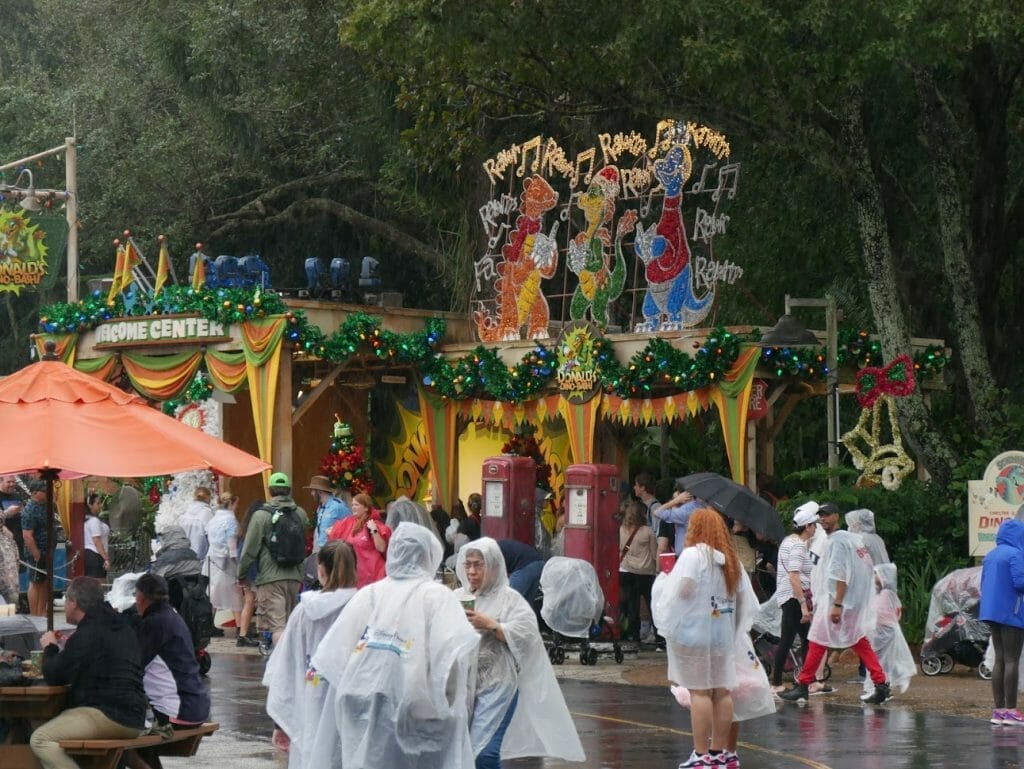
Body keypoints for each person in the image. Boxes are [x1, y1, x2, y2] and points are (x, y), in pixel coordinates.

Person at [310, 522, 481, 769]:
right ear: (428, 555)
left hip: (362, 703)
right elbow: (451, 658)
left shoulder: (370, 593)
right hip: (417, 713)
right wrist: (447, 708)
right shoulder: (437, 596)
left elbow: (333, 655)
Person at [454, 538, 584, 768]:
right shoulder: (457, 597)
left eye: (478, 565)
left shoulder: (510, 599)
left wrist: (494, 626)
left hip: (499, 683)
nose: (472, 572)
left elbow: (527, 635)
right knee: (460, 752)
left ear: (494, 566)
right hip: (464, 685)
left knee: (484, 751)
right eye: (468, 565)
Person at [652, 508, 758, 768]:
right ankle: (720, 754)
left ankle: (700, 755)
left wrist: (667, 578)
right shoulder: (730, 560)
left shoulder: (692, 555)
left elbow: (684, 591)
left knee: (700, 692)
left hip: (694, 634)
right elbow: (746, 600)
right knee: (722, 692)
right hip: (722, 635)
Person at [31, 576, 147, 769]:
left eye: (66, 600)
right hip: (135, 715)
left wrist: (50, 647)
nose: (66, 605)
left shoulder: (87, 633)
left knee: (41, 739)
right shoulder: (122, 626)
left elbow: (54, 675)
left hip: (108, 714)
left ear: (74, 603)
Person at [264, 540, 358, 769]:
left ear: (321, 570)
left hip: (311, 699)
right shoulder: (363, 606)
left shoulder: (304, 611)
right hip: (353, 705)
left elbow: (285, 666)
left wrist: (281, 723)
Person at [779, 529, 892, 705]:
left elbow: (840, 577)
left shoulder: (837, 544)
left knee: (817, 642)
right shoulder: (855, 546)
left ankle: (803, 685)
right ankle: (881, 683)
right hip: (847, 605)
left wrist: (837, 604)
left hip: (836, 604)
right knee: (859, 643)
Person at [238, 472, 310, 645]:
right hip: (294, 576)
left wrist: (241, 573)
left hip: (270, 578)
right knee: (290, 624)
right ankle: (293, 662)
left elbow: (250, 549)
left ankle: (281, 666)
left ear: (269, 490)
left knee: (278, 626)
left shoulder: (261, 515)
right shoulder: (300, 513)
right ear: (289, 490)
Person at [131, 573, 210, 727]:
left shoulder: (153, 623)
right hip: (197, 704)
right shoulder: (172, 615)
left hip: (179, 710)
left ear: (140, 597)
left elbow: (133, 665)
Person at [980, 518, 1024, 724]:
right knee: (1012, 659)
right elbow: (1020, 582)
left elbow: (984, 583)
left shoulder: (990, 556)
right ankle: (1012, 710)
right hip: (1011, 612)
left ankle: (998, 711)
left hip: (991, 611)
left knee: (999, 658)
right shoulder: (1016, 554)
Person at [769, 504, 817, 693]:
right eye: (814, 525)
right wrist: (804, 605)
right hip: (794, 596)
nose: (815, 528)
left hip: (788, 595)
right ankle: (801, 681)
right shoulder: (797, 545)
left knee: (794, 639)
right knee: (802, 640)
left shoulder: (789, 541)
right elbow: (794, 576)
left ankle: (787, 681)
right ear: (807, 527)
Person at [860, 563, 916, 702]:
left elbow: (880, 612)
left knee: (875, 660)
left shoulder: (886, 593)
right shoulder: (888, 593)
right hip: (884, 630)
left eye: (876, 574)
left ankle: (875, 688)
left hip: (883, 631)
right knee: (882, 660)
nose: (874, 577)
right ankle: (882, 687)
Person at [327, 492, 391, 587]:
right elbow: (332, 534)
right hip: (356, 576)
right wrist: (330, 532)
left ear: (366, 508)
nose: (353, 507)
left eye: (356, 505)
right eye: (352, 505)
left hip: (374, 575)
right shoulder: (349, 522)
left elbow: (381, 548)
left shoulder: (374, 524)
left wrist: (374, 530)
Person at [618, 500, 657, 643]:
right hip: (646, 572)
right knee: (651, 605)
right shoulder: (648, 531)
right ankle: (659, 639)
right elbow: (654, 554)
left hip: (625, 570)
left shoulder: (621, 529)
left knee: (630, 606)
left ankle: (632, 637)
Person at [206, 491, 244, 632]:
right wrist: (237, 564)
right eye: (236, 504)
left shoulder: (213, 519)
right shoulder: (231, 521)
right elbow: (232, 545)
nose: (237, 507)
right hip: (226, 560)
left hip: (212, 559)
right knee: (235, 593)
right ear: (231, 504)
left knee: (212, 592)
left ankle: (209, 624)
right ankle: (240, 626)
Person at [21, 479, 50, 616]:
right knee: (35, 583)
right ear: (35, 493)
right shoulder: (30, 510)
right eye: (44, 491)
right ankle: (35, 614)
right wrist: (35, 553)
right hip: (37, 552)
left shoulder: (43, 506)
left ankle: (42, 612)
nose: (47, 493)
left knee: (44, 582)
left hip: (46, 550)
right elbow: (27, 535)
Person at [235, 500, 262, 648]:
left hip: (245, 571)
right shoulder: (255, 531)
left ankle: (244, 634)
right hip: (253, 571)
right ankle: (244, 634)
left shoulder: (243, 531)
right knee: (251, 601)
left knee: (248, 601)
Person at [654, 478, 703, 556]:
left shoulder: (685, 511)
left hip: (687, 556)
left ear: (685, 495)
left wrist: (675, 501)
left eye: (678, 492)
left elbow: (657, 512)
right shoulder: (699, 506)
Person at [304, 475, 350, 552]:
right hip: (320, 549)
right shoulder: (321, 507)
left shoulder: (338, 506)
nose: (311, 493)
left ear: (319, 491)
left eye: (313, 490)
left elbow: (350, 525)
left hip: (333, 551)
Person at [496, 538, 546, 607]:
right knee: (526, 605)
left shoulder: (490, 552)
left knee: (507, 602)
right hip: (539, 564)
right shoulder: (497, 546)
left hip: (525, 565)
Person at [178, 486, 214, 564]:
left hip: (185, 557)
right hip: (201, 559)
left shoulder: (185, 513)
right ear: (208, 498)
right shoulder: (207, 514)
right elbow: (212, 537)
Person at [83, 492, 111, 578]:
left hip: (92, 555)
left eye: (100, 503)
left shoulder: (89, 519)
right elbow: (97, 540)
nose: (101, 506)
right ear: (90, 505)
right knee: (98, 585)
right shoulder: (94, 521)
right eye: (98, 503)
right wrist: (106, 558)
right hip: (96, 555)